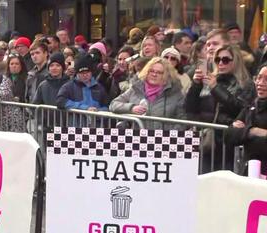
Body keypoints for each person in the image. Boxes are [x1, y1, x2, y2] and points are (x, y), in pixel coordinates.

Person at [186, 44, 253, 172]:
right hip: (206, 141)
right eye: (217, 60)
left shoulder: (246, 83)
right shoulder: (210, 79)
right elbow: (190, 109)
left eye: (226, 60)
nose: (221, 63)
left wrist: (216, 88)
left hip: (228, 143)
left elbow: (240, 108)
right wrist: (196, 85)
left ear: (236, 61)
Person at [110, 57, 186, 129]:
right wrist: (131, 108)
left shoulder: (175, 93)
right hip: (136, 139)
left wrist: (170, 135)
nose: (154, 74)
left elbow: (183, 119)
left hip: (163, 140)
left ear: (166, 75)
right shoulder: (135, 89)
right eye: (151, 71)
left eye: (159, 73)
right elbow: (113, 104)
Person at [226, 64, 267, 175]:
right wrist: (251, 131)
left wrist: (243, 134)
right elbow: (229, 135)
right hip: (249, 170)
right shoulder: (251, 106)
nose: (260, 83)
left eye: (266, 79)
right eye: (259, 78)